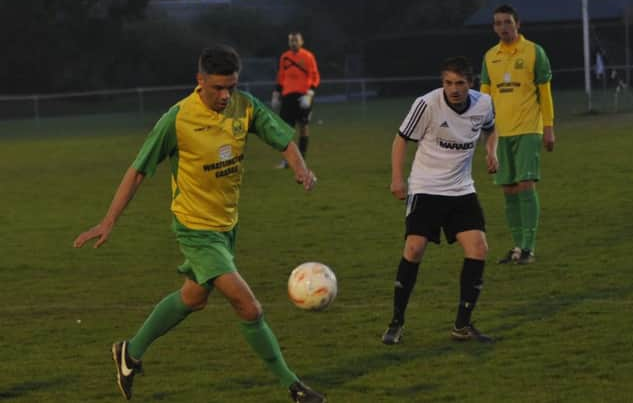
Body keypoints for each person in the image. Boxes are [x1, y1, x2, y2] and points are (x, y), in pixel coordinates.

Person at [73, 45, 327, 403]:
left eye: (232, 87)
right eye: (218, 88)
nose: (225, 96)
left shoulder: (246, 105)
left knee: (193, 297)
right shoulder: (177, 119)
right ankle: (293, 386)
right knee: (249, 307)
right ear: (200, 81)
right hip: (195, 229)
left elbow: (283, 138)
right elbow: (138, 170)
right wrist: (108, 221)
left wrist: (301, 168)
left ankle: (129, 352)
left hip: (226, 225)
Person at [381, 56, 498, 345]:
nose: (453, 89)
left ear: (470, 83)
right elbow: (400, 139)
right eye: (448, 83)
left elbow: (491, 128)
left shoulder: (484, 103)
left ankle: (462, 325)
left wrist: (491, 151)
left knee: (478, 248)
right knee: (414, 247)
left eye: (459, 83)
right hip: (426, 187)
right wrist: (398, 178)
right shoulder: (428, 104)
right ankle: (396, 321)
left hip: (461, 190)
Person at [480, 4, 556, 265]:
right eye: (498, 23)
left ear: (517, 24)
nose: (503, 27)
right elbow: (484, 97)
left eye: (507, 22)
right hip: (500, 133)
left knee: (525, 185)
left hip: (528, 129)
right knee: (509, 190)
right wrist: (484, 132)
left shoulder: (535, 52)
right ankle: (516, 247)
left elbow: (544, 92)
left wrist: (548, 127)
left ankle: (528, 247)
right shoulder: (490, 56)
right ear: (494, 27)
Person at [271, 32, 320, 168]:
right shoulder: (284, 57)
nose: (293, 43)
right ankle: (288, 160)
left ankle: (301, 159)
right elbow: (281, 76)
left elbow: (315, 76)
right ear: (289, 42)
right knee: (285, 130)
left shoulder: (308, 56)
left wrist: (310, 93)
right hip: (288, 97)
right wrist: (276, 94)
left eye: (296, 40)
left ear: (301, 41)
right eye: (291, 41)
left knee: (303, 127)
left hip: (303, 96)